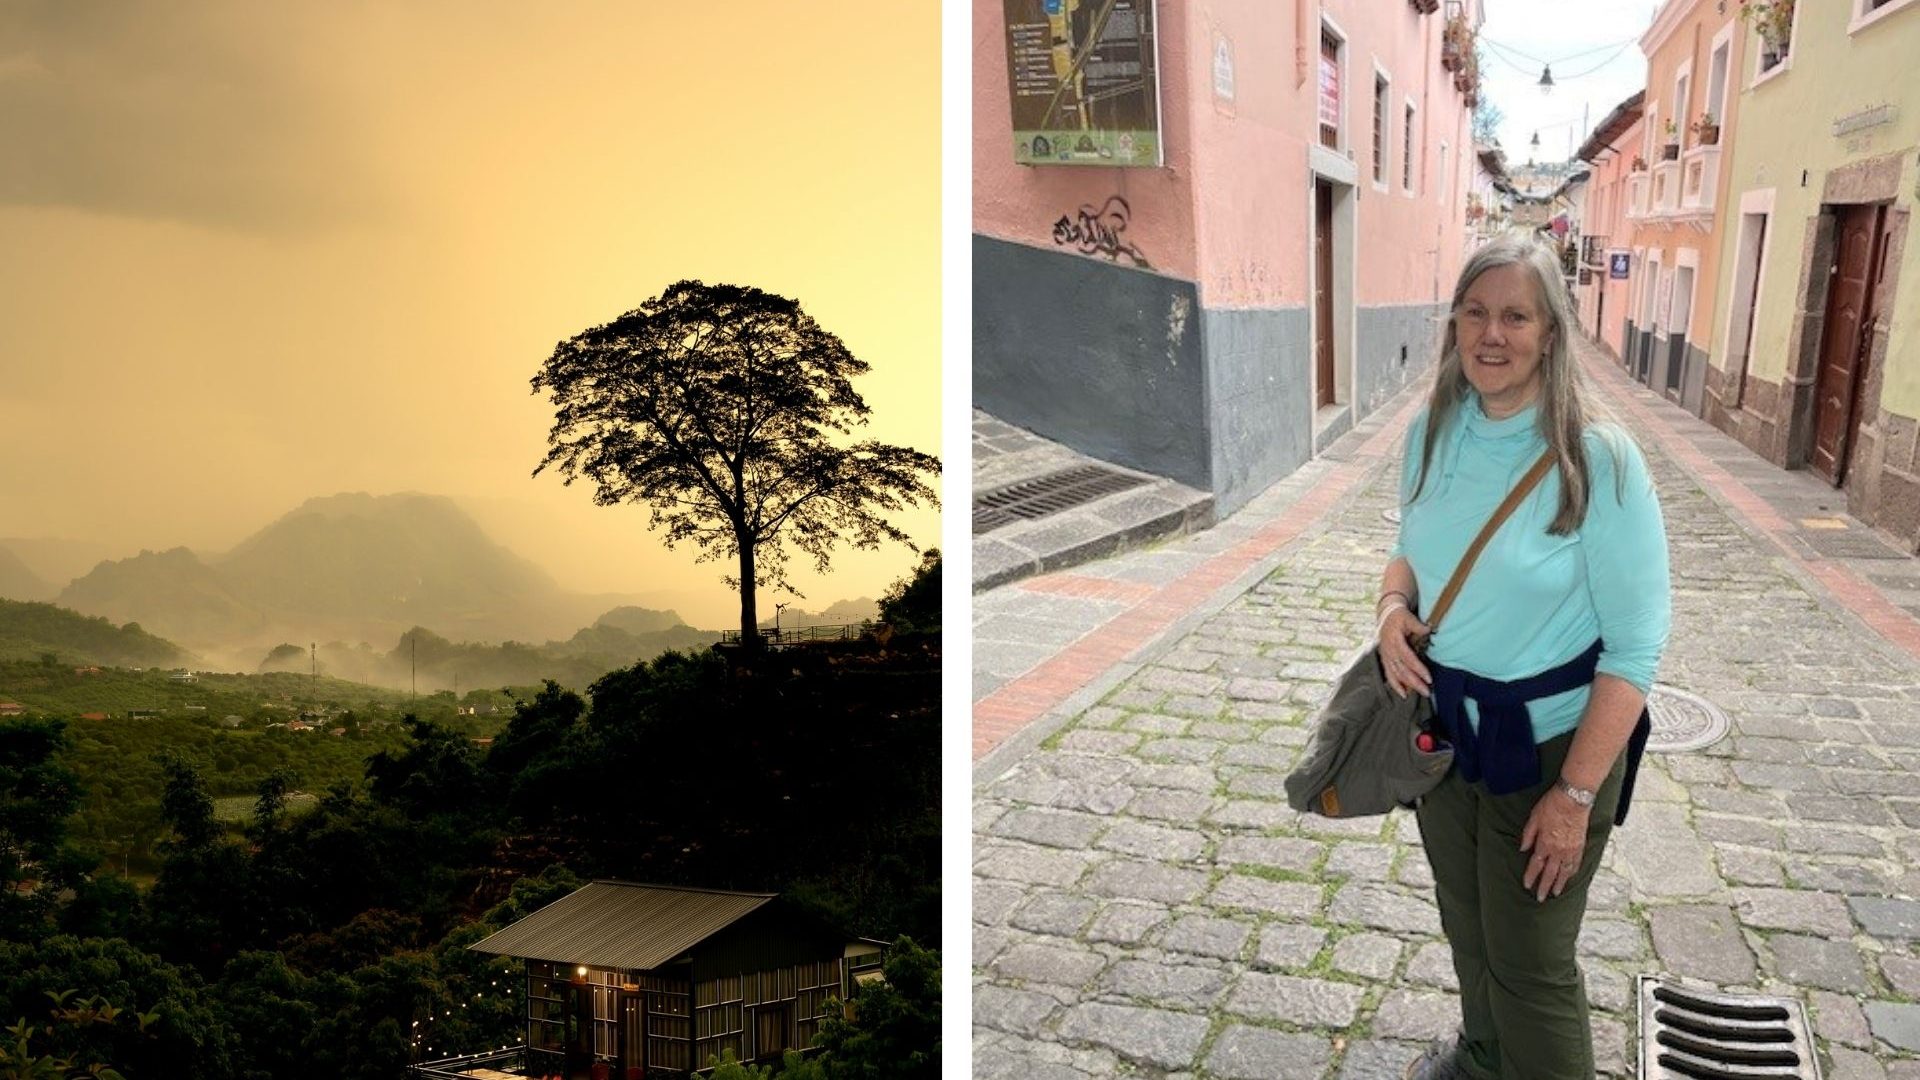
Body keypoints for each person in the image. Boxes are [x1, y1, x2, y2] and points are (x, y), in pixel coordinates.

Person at [1377, 233, 1671, 1080]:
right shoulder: (1433, 430)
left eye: (1515, 315)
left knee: (1532, 964)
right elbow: (1412, 551)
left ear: (1551, 332)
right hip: (1448, 739)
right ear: (1453, 325)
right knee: (1468, 930)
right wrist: (1393, 608)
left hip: (1552, 749)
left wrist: (1576, 797)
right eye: (1475, 311)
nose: (1491, 333)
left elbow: (1637, 646)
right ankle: (1481, 1061)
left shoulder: (1598, 457)